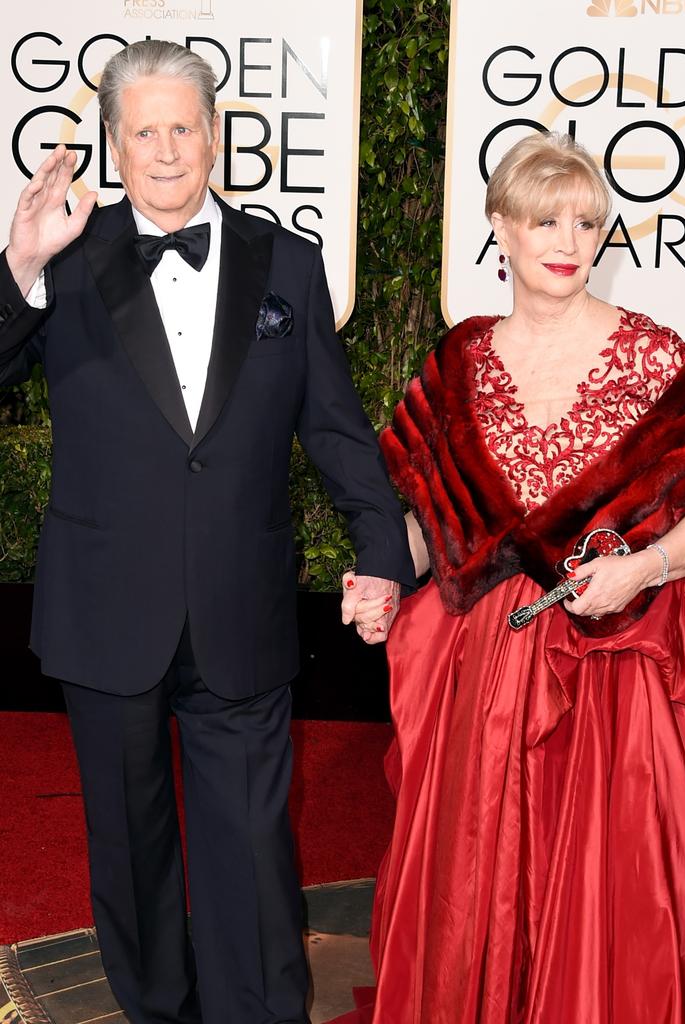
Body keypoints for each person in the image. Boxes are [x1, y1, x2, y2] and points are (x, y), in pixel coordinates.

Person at [0, 39, 414, 1024]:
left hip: (241, 605)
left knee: (252, 851)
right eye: (143, 131)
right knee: (132, 853)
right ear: (113, 145)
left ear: (217, 135)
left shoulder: (290, 264)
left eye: (183, 126)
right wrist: (19, 261)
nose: (167, 148)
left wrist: (383, 554)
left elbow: (338, 431)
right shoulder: (65, 258)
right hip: (105, 611)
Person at [339, 132, 685, 1023]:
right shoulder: (458, 362)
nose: (568, 240)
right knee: (483, 885)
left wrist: (646, 564)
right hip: (492, 669)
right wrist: (384, 577)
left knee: (622, 895)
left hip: (627, 673)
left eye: (585, 220)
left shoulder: (661, 361)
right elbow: (433, 524)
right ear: (501, 227)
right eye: (545, 219)